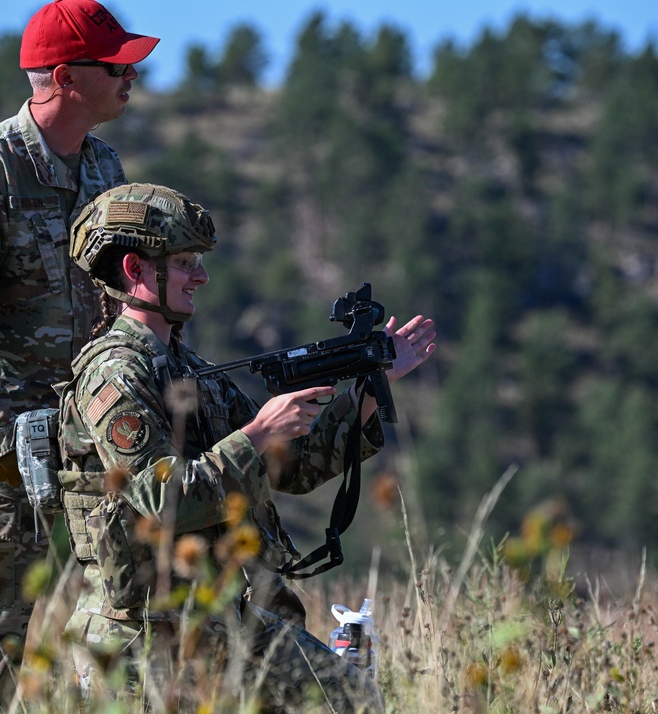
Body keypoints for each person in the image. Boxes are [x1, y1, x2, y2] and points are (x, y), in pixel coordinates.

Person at [57, 182, 437, 711]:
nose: (202, 276)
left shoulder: (194, 373)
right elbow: (159, 500)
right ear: (135, 270)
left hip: (219, 615)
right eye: (185, 261)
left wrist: (370, 392)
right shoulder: (113, 374)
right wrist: (257, 432)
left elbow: (297, 470)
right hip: (140, 634)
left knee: (346, 696)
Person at [0, 1, 159, 710]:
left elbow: (119, 299)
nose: (132, 75)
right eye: (116, 65)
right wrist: (1, 444)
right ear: (63, 76)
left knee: (122, 633)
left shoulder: (104, 163)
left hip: (89, 439)